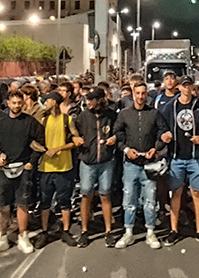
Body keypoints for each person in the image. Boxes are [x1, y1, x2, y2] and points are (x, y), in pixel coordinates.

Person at [0, 90, 45, 255]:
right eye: (14, 103)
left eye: (20, 103)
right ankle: (2, 237)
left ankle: (23, 236)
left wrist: (31, 162)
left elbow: (41, 143)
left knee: (22, 204)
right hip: (4, 169)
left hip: (23, 168)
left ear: (23, 104)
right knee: (2, 206)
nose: (17, 106)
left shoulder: (30, 122)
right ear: (8, 103)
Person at [113, 81, 171, 250]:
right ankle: (128, 232)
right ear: (133, 93)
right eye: (137, 93)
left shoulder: (154, 113)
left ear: (147, 94)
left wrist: (156, 148)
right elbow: (117, 134)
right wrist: (125, 150)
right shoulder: (124, 114)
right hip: (131, 164)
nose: (140, 96)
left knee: (150, 200)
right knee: (129, 199)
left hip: (149, 164)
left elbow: (163, 132)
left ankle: (150, 233)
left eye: (143, 93)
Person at [160, 77, 199, 246]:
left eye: (188, 85)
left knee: (198, 193)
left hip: (195, 156)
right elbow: (162, 127)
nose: (186, 89)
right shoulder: (171, 107)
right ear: (179, 87)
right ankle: (173, 230)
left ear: (192, 87)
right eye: (183, 86)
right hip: (176, 156)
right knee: (176, 193)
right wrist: (165, 136)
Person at [73, 87, 119, 247]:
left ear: (100, 100)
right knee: (86, 195)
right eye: (87, 99)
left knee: (105, 195)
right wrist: (76, 138)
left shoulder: (111, 115)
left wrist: (114, 138)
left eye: (91, 99)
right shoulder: (83, 116)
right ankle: (85, 231)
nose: (88, 102)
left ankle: (108, 231)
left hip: (106, 161)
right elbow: (73, 129)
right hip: (88, 162)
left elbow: (119, 132)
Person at [34, 92, 78, 248]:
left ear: (54, 102)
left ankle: (66, 231)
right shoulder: (43, 121)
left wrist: (59, 148)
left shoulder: (68, 120)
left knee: (64, 201)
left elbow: (77, 140)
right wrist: (44, 150)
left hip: (64, 167)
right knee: (45, 202)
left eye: (47, 100)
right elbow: (33, 142)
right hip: (46, 167)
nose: (45, 103)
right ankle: (44, 231)